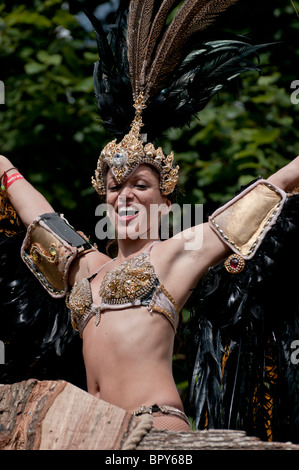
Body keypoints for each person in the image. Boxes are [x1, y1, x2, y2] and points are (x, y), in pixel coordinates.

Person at [1, 0, 299, 435]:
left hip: (155, 431)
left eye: (140, 186)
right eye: (115, 186)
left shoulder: (176, 254)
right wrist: (4, 168)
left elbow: (234, 219)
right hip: (91, 432)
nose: (125, 195)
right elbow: (37, 214)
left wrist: (294, 171)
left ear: (164, 205)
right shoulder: (87, 268)